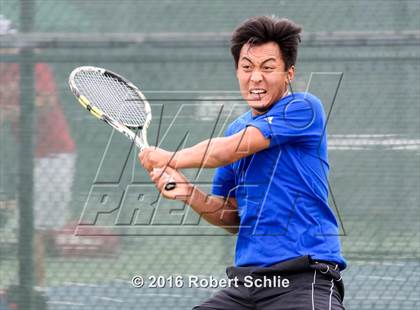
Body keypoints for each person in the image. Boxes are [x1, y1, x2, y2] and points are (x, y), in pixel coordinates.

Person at [139, 16, 346, 310]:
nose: (256, 77)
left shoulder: (304, 108)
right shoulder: (235, 129)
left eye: (268, 67)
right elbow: (230, 216)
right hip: (247, 284)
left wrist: (171, 157)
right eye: (247, 67)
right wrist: (188, 193)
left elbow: (231, 149)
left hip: (303, 275)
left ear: (289, 73)